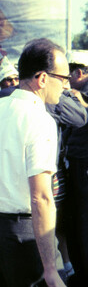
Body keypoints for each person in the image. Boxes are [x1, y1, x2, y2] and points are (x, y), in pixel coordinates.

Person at [0, 38, 67, 286]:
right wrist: (50, 269)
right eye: (62, 78)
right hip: (20, 236)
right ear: (42, 78)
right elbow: (41, 197)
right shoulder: (40, 120)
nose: (65, 86)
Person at [63, 50, 88, 285]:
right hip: (76, 163)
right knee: (75, 221)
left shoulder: (81, 94)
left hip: (83, 164)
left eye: (68, 74)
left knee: (82, 221)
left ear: (79, 73)